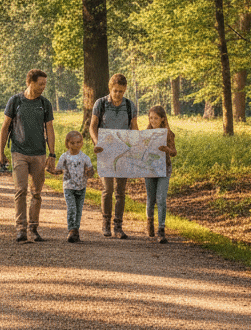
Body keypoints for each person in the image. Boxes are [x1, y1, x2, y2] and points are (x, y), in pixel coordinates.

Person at [0, 69, 56, 242]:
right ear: (29, 82)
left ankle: (33, 228)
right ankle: (21, 228)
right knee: (21, 190)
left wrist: (52, 154)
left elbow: (50, 129)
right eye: (40, 84)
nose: (43, 87)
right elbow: (5, 127)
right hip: (19, 152)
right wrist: (1, 153)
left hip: (39, 153)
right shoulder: (15, 101)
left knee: (37, 193)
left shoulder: (45, 104)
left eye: (45, 84)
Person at [88, 73, 137, 239]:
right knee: (107, 189)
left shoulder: (130, 105)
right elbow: (92, 127)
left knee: (120, 191)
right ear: (110, 89)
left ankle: (118, 226)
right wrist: (97, 143)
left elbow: (134, 128)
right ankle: (105, 223)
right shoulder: (100, 104)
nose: (118, 94)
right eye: (115, 91)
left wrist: (137, 145)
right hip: (106, 152)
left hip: (123, 153)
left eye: (121, 91)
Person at [48, 130, 95, 243]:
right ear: (67, 143)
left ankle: (76, 230)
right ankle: (71, 230)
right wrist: (51, 170)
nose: (76, 145)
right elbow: (59, 170)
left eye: (78, 142)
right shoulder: (64, 157)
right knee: (71, 208)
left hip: (81, 187)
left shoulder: (85, 158)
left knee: (79, 209)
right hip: (69, 187)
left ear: (82, 143)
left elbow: (91, 172)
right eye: (72, 143)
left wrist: (89, 172)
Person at [144, 104, 177, 243]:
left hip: (164, 169)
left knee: (161, 198)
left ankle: (161, 229)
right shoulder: (146, 133)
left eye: (156, 118)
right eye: (151, 118)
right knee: (151, 198)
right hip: (150, 169)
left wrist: (167, 149)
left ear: (162, 119)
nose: (153, 120)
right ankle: (149, 224)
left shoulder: (168, 133)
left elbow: (174, 152)